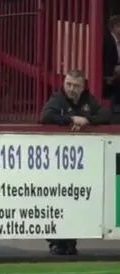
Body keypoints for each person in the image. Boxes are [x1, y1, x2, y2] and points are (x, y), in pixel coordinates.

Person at [40, 69, 110, 255]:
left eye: (76, 86)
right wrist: (70, 119)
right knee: (58, 201)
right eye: (69, 84)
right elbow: (45, 116)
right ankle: (57, 242)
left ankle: (70, 241)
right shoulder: (57, 99)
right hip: (57, 162)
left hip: (81, 164)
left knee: (74, 202)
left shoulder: (89, 100)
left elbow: (106, 115)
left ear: (83, 87)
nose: (71, 89)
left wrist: (87, 120)